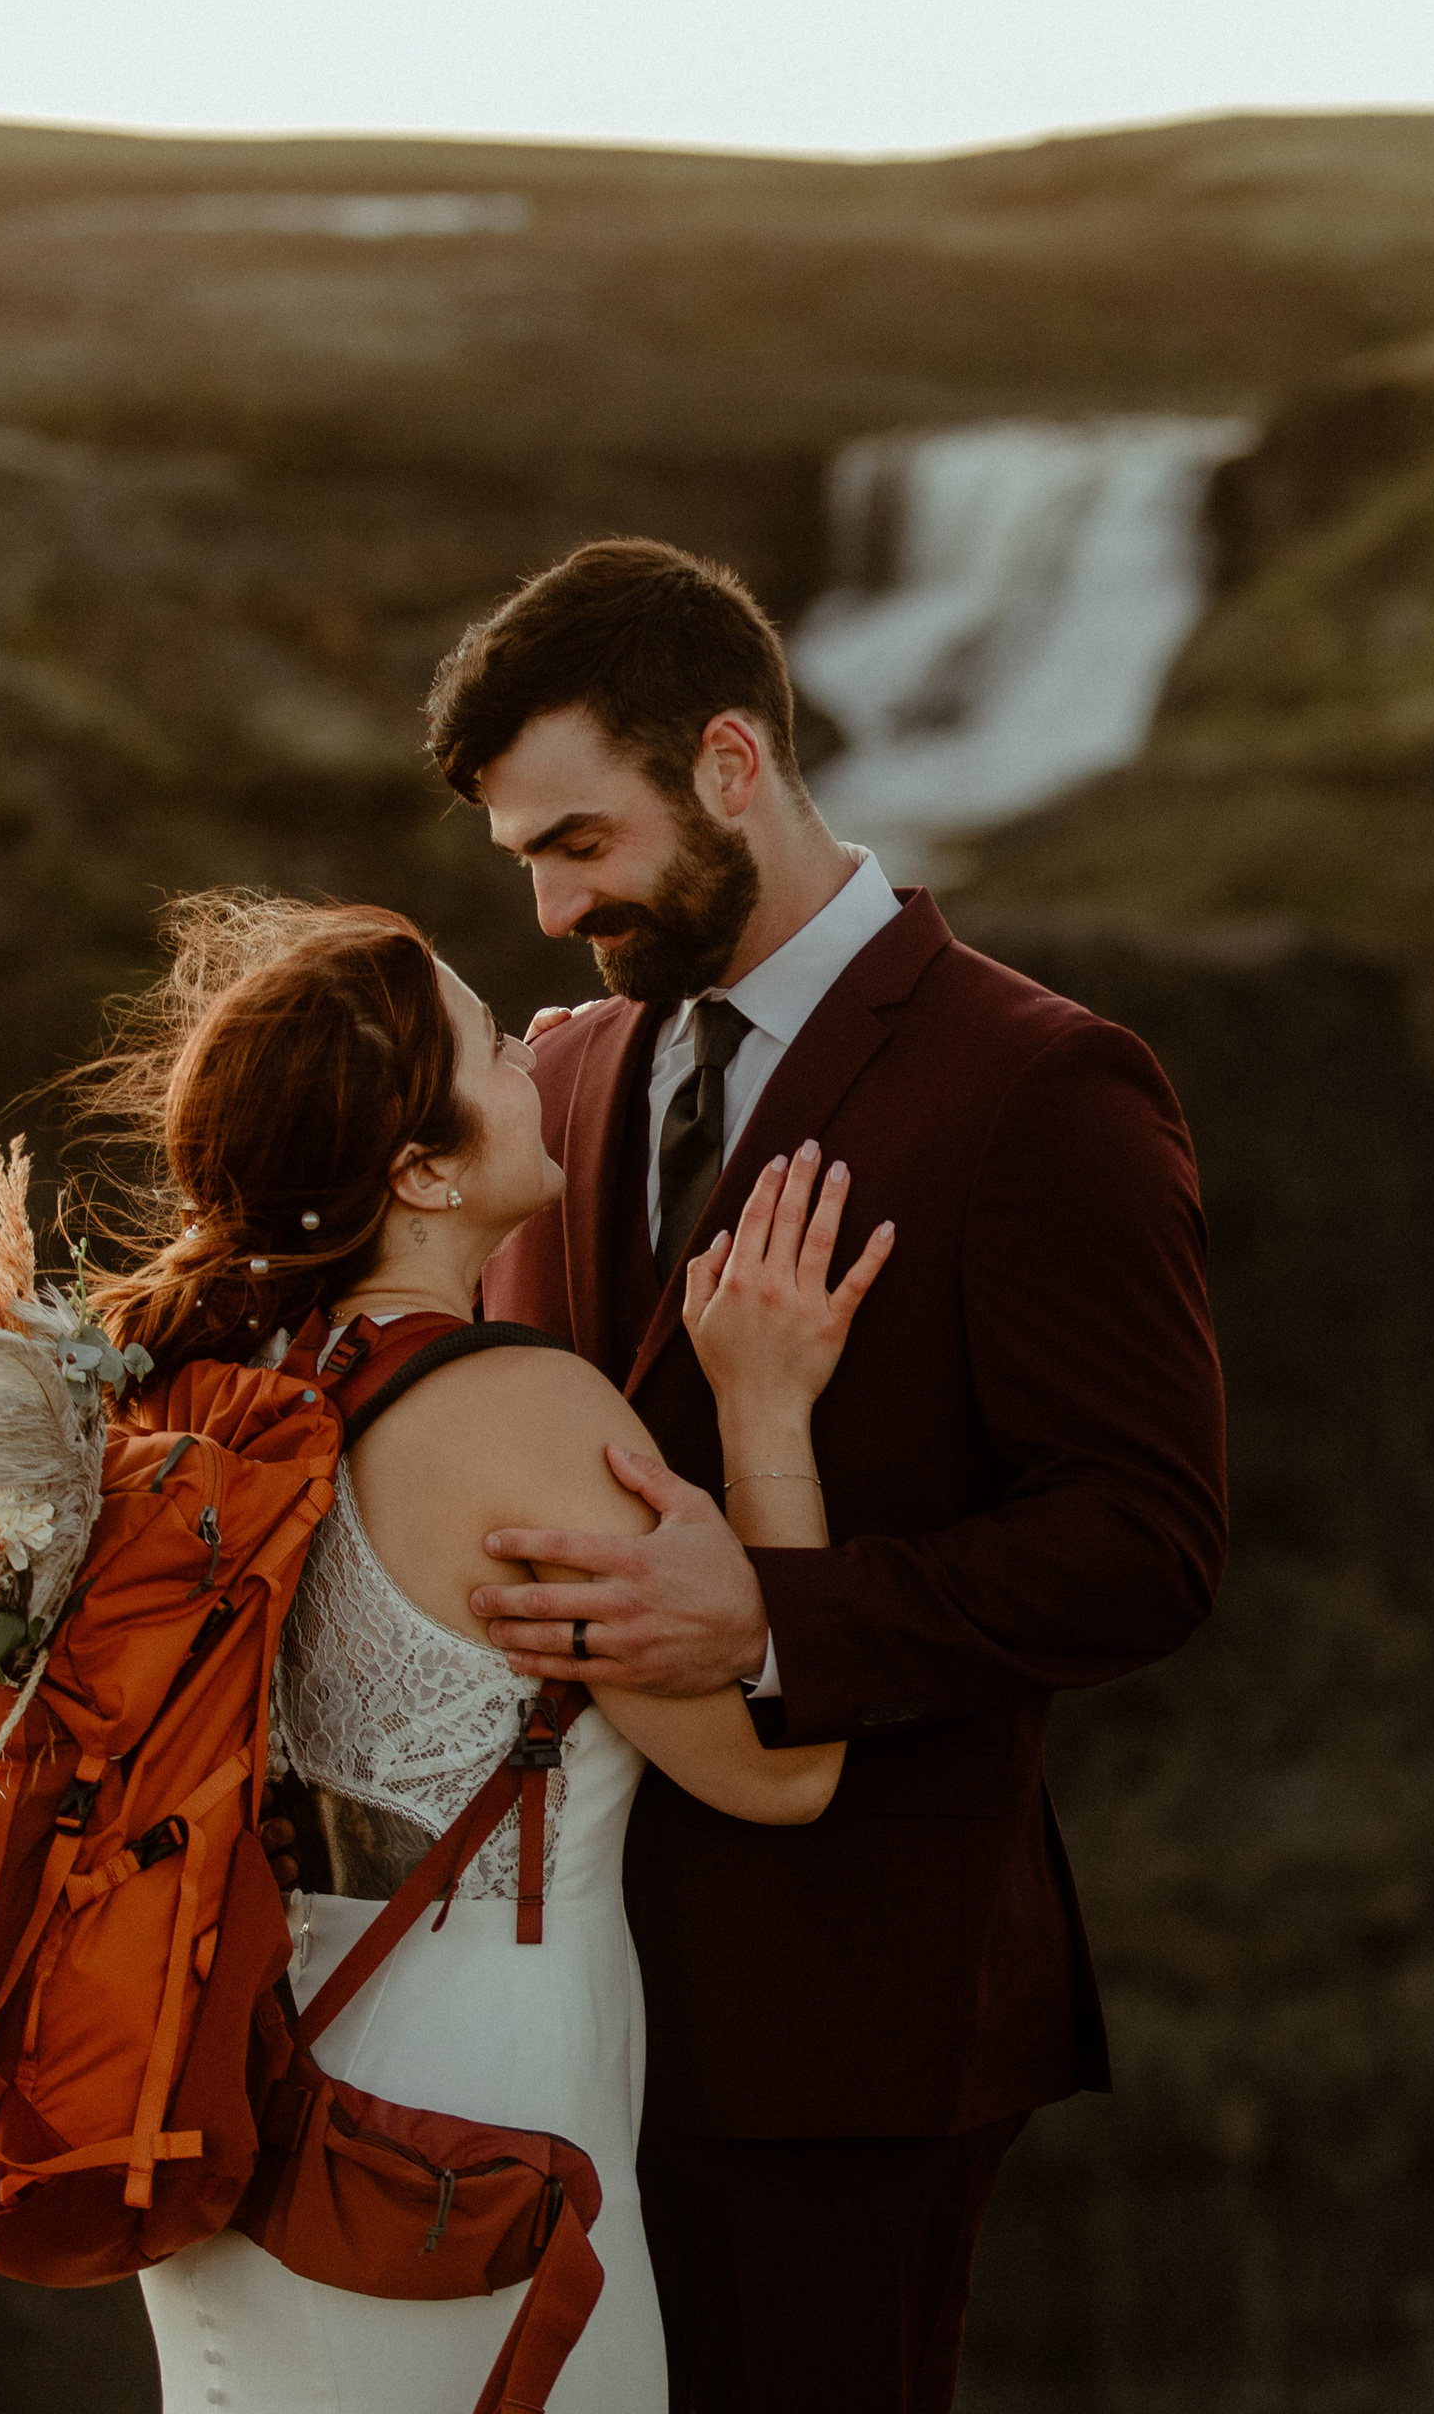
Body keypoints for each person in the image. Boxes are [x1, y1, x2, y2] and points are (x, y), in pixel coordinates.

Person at [424, 537, 1228, 2414]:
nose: (553, 911)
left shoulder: (1045, 1088)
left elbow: (1147, 1547)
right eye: (528, 861)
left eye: (578, 844)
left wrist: (776, 1622)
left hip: (861, 2013)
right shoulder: (561, 1080)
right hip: (564, 2009)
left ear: (728, 764)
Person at [85, 894, 888, 2412]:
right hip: (462, 2125)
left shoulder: (202, 1395)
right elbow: (781, 1776)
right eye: (489, 1043)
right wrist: (766, 1407)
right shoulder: (523, 1412)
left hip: (230, 2078)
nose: (536, 1050)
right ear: (422, 1168)